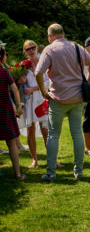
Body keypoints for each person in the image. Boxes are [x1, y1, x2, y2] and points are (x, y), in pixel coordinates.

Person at [36, 23, 90, 181]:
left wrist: (44, 91)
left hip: (58, 99)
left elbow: (38, 72)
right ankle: (79, 172)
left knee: (53, 135)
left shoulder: (49, 49)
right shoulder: (76, 47)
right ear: (63, 34)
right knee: (77, 134)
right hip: (77, 98)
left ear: (50, 37)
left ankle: (51, 173)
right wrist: (88, 83)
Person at [21, 40, 50, 168]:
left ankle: (52, 158)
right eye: (28, 49)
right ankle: (35, 160)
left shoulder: (44, 62)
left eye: (33, 47)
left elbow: (49, 82)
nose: (31, 50)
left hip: (42, 99)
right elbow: (19, 84)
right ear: (25, 52)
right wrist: (21, 82)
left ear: (37, 48)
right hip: (28, 101)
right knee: (30, 130)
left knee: (45, 130)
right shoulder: (22, 66)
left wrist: (34, 89)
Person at [0, 45, 25, 180]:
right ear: (2, 58)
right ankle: (18, 174)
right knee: (12, 144)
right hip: (5, 112)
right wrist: (19, 108)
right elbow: (15, 90)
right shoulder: (4, 73)